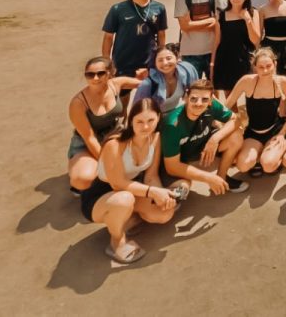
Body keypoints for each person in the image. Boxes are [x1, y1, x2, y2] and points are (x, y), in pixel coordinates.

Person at [79, 97, 177, 264]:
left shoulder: (155, 137)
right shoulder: (115, 144)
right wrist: (152, 192)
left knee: (164, 214)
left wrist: (161, 195)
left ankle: (127, 219)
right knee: (124, 199)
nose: (145, 126)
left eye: (151, 120)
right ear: (130, 120)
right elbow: (117, 183)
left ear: (159, 118)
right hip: (100, 196)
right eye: (139, 121)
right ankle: (116, 241)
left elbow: (151, 176)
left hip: (131, 190)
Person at [160, 78, 249, 196]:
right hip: (180, 158)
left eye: (205, 99)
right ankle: (166, 196)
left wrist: (215, 139)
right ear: (186, 98)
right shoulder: (172, 124)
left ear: (211, 100)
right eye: (194, 98)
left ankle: (222, 178)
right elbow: (172, 167)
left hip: (201, 147)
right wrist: (208, 178)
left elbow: (235, 119)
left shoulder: (211, 106)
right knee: (182, 191)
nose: (199, 103)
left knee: (236, 135)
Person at [67, 57, 142, 193]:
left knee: (143, 157)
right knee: (82, 180)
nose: (95, 78)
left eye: (100, 73)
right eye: (90, 74)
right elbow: (90, 138)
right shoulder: (78, 103)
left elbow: (143, 84)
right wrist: (109, 165)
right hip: (87, 143)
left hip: (115, 135)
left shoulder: (116, 84)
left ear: (110, 73)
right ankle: (83, 167)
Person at [226, 48, 286, 176]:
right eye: (261, 67)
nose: (265, 71)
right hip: (253, 132)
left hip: (276, 131)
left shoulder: (283, 82)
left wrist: (283, 133)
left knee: (269, 166)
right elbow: (227, 106)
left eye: (268, 66)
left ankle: (273, 157)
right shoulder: (246, 81)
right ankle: (261, 155)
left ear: (275, 64)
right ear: (255, 67)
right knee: (243, 166)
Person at [101, 0, 168, 79]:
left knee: (148, 94)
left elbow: (161, 34)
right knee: (123, 95)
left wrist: (161, 56)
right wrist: (106, 63)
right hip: (123, 63)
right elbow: (108, 37)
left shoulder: (159, 8)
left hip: (149, 63)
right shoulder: (118, 9)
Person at [174, 0, 222, 80]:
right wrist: (211, 21)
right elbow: (185, 27)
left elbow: (220, 24)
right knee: (192, 90)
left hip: (212, 51)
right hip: (190, 53)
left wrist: (192, 24)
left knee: (214, 89)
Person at [213, 0, 262, 96]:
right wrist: (212, 64)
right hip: (226, 59)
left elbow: (256, 40)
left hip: (246, 60)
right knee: (229, 98)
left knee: (252, 96)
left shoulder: (253, 13)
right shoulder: (221, 15)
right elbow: (217, 42)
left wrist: (248, 20)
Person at [130, 45, 200, 113]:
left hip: (175, 113)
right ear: (155, 63)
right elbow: (136, 112)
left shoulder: (187, 71)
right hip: (153, 119)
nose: (165, 63)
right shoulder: (147, 84)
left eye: (168, 58)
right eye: (160, 60)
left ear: (177, 58)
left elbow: (197, 94)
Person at [259, 0, 286, 84]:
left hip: (285, 46)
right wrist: (257, 50)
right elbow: (260, 32)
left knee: (283, 78)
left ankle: (283, 100)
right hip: (268, 46)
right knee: (268, 77)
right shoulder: (263, 9)